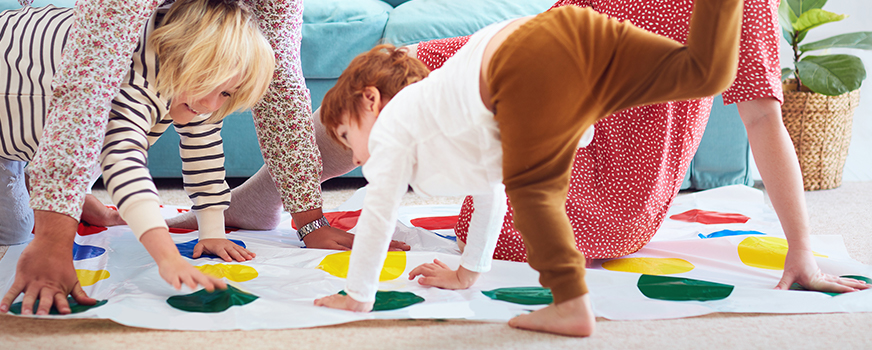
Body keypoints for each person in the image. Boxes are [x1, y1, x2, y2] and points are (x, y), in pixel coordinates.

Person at [313, 0, 748, 336]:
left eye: (348, 136)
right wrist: (468, 272)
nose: (353, 159)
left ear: (370, 101)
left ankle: (571, 303)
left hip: (530, 57)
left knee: (533, 190)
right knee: (700, 74)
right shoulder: (452, 127)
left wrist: (358, 296)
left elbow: (379, 217)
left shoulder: (396, 122)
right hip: (575, 29)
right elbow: (489, 193)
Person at [406, 0, 869, 296]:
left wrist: (800, 249)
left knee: (505, 217)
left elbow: (764, 118)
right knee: (399, 66)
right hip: (551, 92)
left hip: (617, 188)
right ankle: (325, 207)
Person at [0, 0, 280, 314]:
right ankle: (33, 176)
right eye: (209, 86)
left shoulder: (193, 82)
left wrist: (212, 232)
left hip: (42, 132)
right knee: (13, 234)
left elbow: (205, 151)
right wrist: (167, 257)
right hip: (8, 120)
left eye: (225, 94)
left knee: (94, 142)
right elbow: (124, 162)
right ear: (180, 55)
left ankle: (46, 181)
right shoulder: (135, 78)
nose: (212, 103)